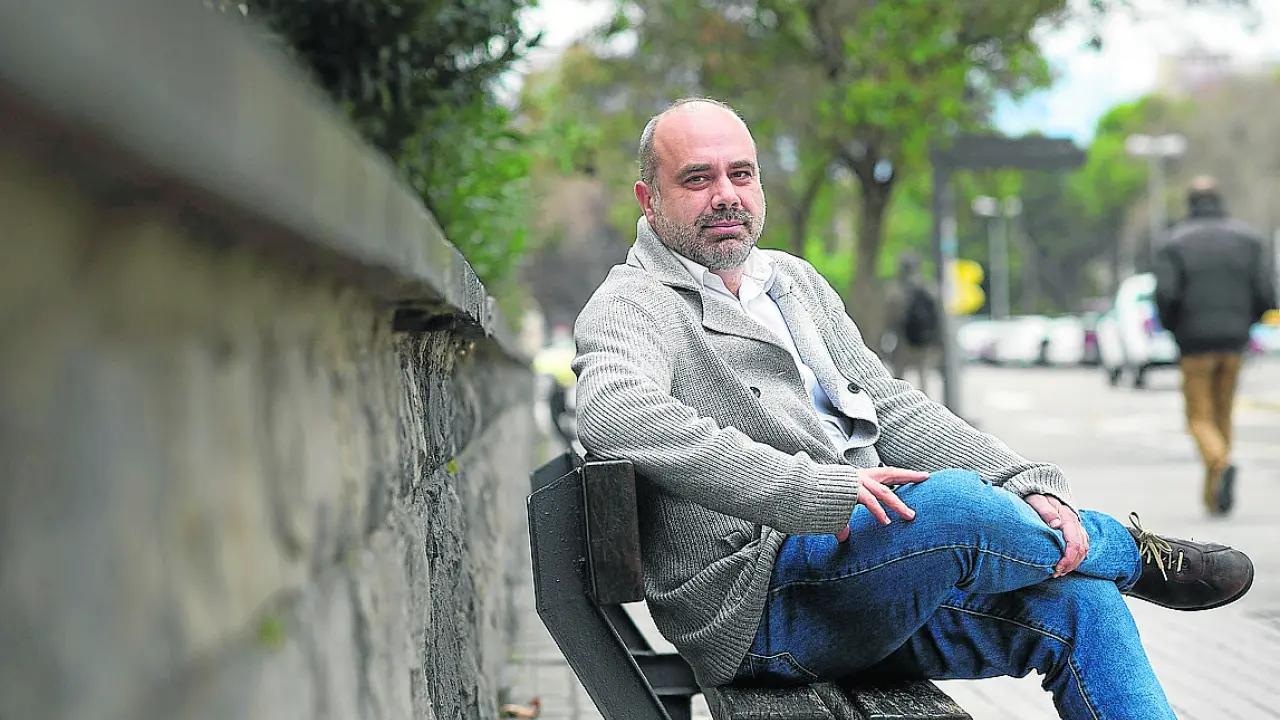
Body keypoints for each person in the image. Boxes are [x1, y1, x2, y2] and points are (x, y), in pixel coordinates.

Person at [570, 98, 1256, 720]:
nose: (726, 195)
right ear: (649, 198)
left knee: (1084, 604)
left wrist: (1028, 482)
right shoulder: (635, 301)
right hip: (760, 605)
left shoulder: (791, 281)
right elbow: (613, 410)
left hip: (870, 578)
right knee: (952, 506)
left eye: (740, 174)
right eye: (697, 179)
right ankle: (1129, 554)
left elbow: (892, 407)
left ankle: (1104, 558)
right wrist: (814, 490)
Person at [1155, 176, 1277, 516]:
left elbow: (1165, 294)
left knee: (1198, 417)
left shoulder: (1173, 242)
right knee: (1223, 413)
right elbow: (1266, 292)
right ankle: (1214, 499)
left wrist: (1175, 329)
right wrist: (1246, 323)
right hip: (1235, 342)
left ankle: (1219, 461)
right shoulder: (1248, 240)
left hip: (1194, 344)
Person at [882, 252, 942, 395]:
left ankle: (899, 402)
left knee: (899, 378)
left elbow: (890, 320)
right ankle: (924, 403)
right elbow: (937, 317)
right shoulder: (929, 288)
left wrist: (884, 342)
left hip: (903, 341)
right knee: (923, 378)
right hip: (925, 341)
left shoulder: (896, 291)